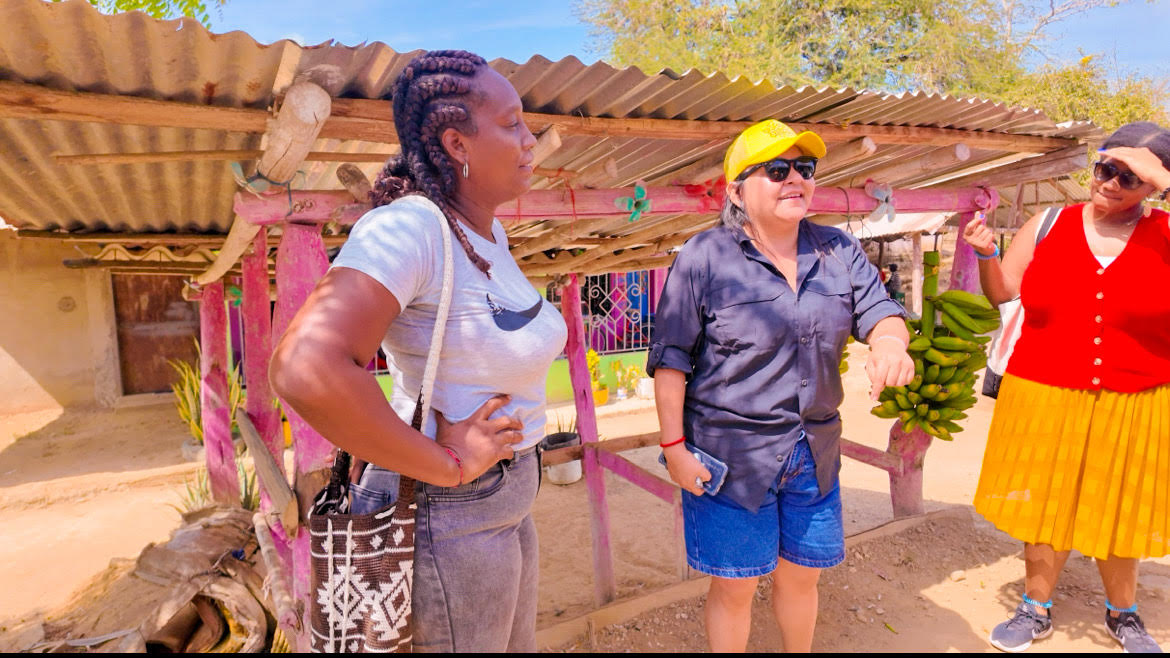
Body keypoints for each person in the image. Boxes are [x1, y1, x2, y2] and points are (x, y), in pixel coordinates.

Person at [269, 50, 567, 652]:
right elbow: (304, 366)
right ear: (457, 144)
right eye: (512, 124)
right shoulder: (413, 227)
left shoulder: (488, 234)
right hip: (450, 508)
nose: (531, 140)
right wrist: (445, 464)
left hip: (506, 495)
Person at [648, 119, 914, 652]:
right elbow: (670, 361)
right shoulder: (704, 256)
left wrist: (890, 343)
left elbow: (881, 311)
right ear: (737, 190)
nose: (795, 179)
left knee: (802, 577)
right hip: (729, 457)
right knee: (735, 587)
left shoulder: (837, 250)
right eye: (776, 170)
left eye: (805, 169)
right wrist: (674, 448)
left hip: (814, 453)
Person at [964, 121, 1170, 654]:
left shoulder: (1166, 237)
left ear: (1153, 188)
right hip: (1044, 392)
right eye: (1106, 168)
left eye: (1130, 178)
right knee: (1044, 503)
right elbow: (1004, 292)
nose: (1110, 183)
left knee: (1121, 505)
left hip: (1136, 398)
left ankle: (1123, 613)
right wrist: (986, 255)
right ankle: (1036, 608)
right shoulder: (1049, 222)